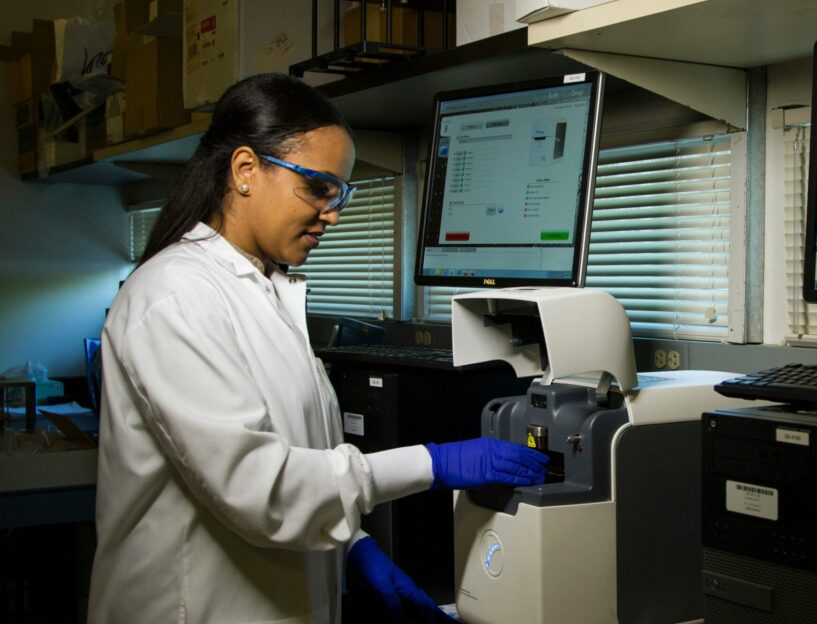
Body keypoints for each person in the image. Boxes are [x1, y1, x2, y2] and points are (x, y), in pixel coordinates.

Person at [87, 74, 548, 624]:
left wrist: (352, 546)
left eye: (340, 193)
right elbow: (261, 488)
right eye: (317, 187)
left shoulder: (266, 292)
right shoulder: (174, 297)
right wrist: (433, 462)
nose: (333, 213)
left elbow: (306, 456)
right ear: (245, 170)